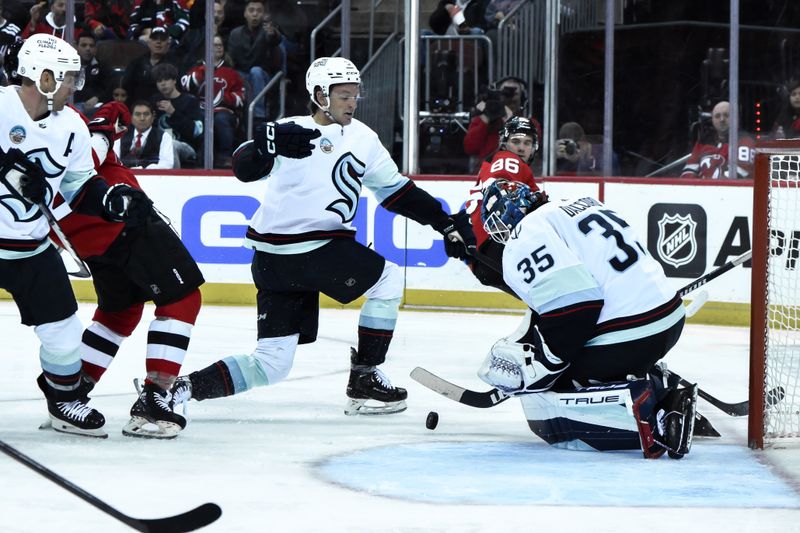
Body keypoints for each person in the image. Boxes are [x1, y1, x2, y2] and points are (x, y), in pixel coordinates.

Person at [168, 57, 475, 416]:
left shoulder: (364, 138)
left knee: (272, 364)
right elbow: (243, 168)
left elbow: (396, 192)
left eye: (355, 95)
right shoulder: (290, 131)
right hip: (303, 252)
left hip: (283, 258)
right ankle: (365, 375)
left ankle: (181, 389)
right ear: (319, 95)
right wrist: (268, 144)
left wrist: (444, 221)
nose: (352, 102)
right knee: (388, 280)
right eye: (343, 95)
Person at [476, 179, 697, 458]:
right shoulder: (580, 204)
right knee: (572, 346)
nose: (502, 234)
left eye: (499, 225)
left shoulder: (526, 232)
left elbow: (578, 306)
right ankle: (659, 387)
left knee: (556, 379)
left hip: (631, 334)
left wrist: (546, 364)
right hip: (671, 319)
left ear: (509, 215)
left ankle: (643, 405)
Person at [0, 34, 144, 438]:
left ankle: (64, 402)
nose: (74, 88)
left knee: (63, 334)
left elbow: (80, 184)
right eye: (68, 79)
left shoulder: (72, 126)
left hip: (31, 247)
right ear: (43, 77)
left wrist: (111, 198)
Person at [57, 100, 205, 439]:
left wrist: (102, 127)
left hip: (85, 236)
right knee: (182, 299)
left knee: (119, 314)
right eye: (64, 77)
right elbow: (76, 168)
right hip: (120, 218)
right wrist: (101, 134)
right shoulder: (43, 120)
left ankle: (68, 394)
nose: (69, 86)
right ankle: (156, 396)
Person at [460, 116, 538, 292]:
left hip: (481, 257)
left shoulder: (494, 161)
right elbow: (502, 182)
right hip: (494, 249)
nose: (521, 147)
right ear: (504, 143)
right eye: (516, 141)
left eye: (527, 143)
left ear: (534, 147)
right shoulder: (506, 159)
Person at [182, 34, 246, 168]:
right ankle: (197, 157)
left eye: (219, 45)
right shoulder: (198, 69)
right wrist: (201, 72)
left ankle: (225, 157)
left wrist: (222, 96)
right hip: (201, 110)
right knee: (200, 119)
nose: (217, 48)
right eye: (213, 45)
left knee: (220, 119)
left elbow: (241, 98)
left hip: (224, 111)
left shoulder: (231, 73)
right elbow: (186, 85)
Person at [463, 76, 541, 171]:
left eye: (514, 94)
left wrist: (509, 119)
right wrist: (485, 119)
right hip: (487, 174)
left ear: (522, 99)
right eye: (505, 94)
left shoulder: (531, 123)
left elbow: (526, 149)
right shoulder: (483, 120)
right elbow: (470, 148)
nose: (510, 99)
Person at [227, 0, 282, 120]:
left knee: (255, 71)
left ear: (263, 14)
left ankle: (258, 116)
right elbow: (231, 59)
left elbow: (275, 39)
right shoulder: (235, 34)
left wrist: (272, 33)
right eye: (251, 10)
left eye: (259, 11)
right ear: (245, 13)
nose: (255, 14)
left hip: (263, 75)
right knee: (235, 74)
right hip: (242, 73)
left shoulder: (268, 31)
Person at [680, 100, 755, 179]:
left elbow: (738, 175)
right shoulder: (704, 141)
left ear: (736, 118)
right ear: (712, 120)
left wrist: (709, 188)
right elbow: (689, 170)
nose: (722, 119)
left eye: (726, 115)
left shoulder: (745, 141)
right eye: (717, 116)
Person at [151, 62, 203, 167]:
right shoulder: (154, 101)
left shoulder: (189, 101)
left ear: (174, 80)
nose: (163, 84)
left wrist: (173, 113)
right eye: (159, 81)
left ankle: (171, 178)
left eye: (166, 80)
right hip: (160, 144)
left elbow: (195, 132)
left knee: (171, 145)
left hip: (186, 146)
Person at [121, 26, 176, 105]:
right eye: (155, 39)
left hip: (163, 108)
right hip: (137, 108)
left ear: (168, 44)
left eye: (162, 39)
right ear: (149, 43)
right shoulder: (136, 63)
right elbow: (125, 85)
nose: (158, 42)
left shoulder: (174, 64)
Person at [115, 100, 175, 169]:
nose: (142, 118)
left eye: (146, 114)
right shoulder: (120, 135)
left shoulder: (164, 136)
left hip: (153, 177)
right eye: (138, 114)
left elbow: (167, 164)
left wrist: (144, 170)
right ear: (131, 118)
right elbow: (114, 162)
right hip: (125, 176)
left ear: (153, 116)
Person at [73, 32, 112, 116]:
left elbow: (109, 88)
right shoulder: (69, 66)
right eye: (84, 45)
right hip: (72, 106)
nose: (88, 49)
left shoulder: (102, 67)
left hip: (94, 107)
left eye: (91, 46)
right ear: (76, 47)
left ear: (95, 49)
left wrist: (97, 98)